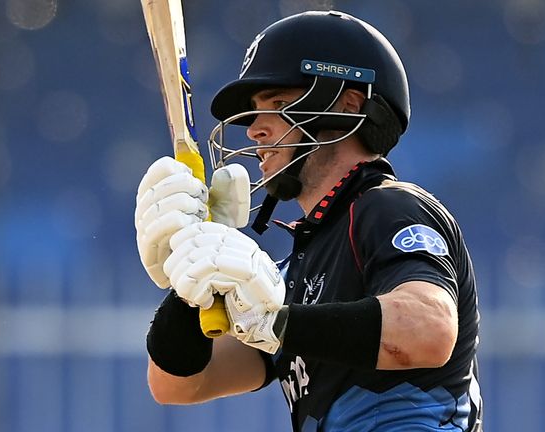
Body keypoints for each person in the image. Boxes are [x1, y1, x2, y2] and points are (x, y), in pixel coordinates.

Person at [135, 10, 483, 432]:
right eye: (255, 111)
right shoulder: (295, 269)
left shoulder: (388, 207)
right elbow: (178, 385)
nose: (254, 131)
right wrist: (192, 273)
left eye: (279, 105)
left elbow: (429, 330)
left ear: (348, 105)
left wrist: (276, 322)